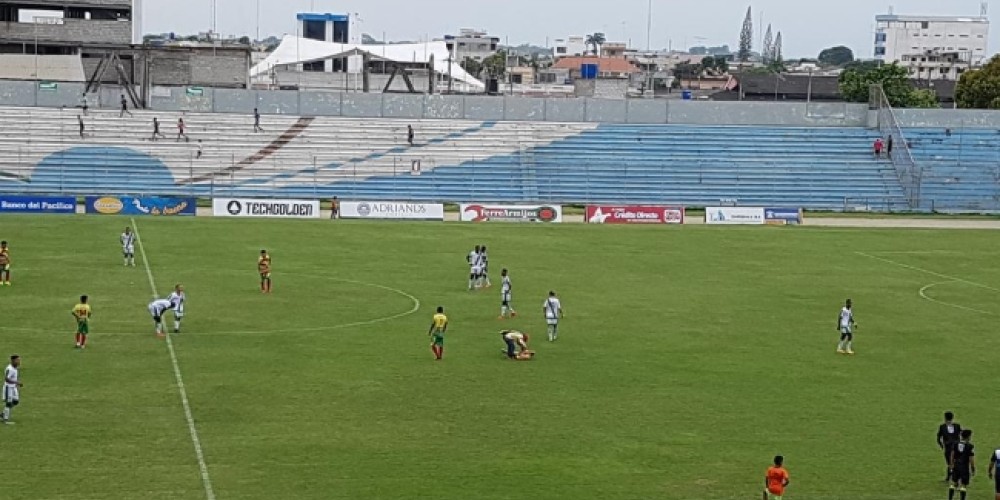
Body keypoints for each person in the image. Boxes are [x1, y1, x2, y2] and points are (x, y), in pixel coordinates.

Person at [950, 429, 976, 500]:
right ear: (968, 437)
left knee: (954, 483)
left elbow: (952, 455)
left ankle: (950, 498)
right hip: (964, 467)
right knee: (963, 485)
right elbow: (971, 459)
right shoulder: (970, 446)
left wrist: (951, 464)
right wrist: (973, 469)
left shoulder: (955, 444)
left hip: (956, 465)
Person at [939, 412, 964, 482]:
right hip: (956, 447)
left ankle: (951, 477)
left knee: (950, 463)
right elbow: (962, 434)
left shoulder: (943, 427)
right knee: (953, 462)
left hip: (949, 447)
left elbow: (938, 437)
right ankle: (952, 477)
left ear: (945, 418)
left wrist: (941, 445)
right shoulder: (957, 426)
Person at [2, 355, 21, 425]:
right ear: (13, 361)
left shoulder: (15, 367)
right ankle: (5, 420)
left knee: (16, 401)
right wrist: (16, 382)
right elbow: (6, 379)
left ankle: (3, 414)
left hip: (13, 387)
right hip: (8, 387)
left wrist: (16, 384)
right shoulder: (9, 369)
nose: (19, 361)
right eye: (17, 360)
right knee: (8, 403)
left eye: (19, 360)